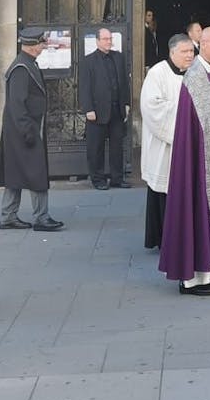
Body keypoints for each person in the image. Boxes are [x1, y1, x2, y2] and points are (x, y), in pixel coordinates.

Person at [159, 27, 210, 295]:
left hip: (207, 155)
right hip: (198, 159)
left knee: (208, 212)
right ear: (202, 44)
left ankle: (208, 272)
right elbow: (206, 123)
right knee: (197, 209)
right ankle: (192, 278)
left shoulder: (207, 74)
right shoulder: (197, 76)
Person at [0, 27, 63, 232]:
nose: (43, 46)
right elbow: (16, 103)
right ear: (33, 46)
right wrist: (28, 131)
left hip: (22, 129)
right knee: (37, 172)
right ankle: (41, 217)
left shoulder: (26, 64)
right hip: (25, 130)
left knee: (15, 172)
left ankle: (8, 216)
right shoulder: (21, 69)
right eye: (41, 43)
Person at [141, 34, 197, 248]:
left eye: (191, 51)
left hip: (188, 145)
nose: (189, 55)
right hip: (165, 145)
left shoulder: (196, 73)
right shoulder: (157, 73)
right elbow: (151, 107)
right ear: (172, 52)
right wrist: (185, 118)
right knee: (164, 189)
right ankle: (164, 238)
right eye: (185, 52)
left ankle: (184, 237)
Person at [80, 27, 131, 190]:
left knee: (117, 146)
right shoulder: (88, 61)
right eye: (105, 39)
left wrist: (127, 103)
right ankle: (98, 179)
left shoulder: (119, 57)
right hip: (97, 111)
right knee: (96, 148)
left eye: (110, 39)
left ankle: (117, 178)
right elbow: (84, 87)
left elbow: (124, 83)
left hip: (117, 110)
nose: (109, 42)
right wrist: (88, 109)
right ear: (97, 41)